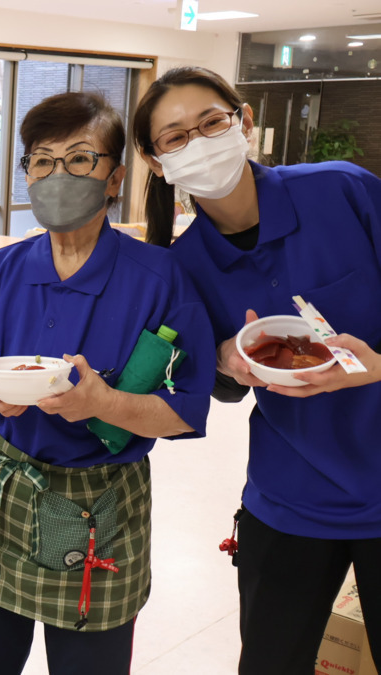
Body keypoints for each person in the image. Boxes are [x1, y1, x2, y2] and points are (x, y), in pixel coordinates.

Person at [0, 92, 215, 675]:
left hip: (101, 508)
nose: (57, 175)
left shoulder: (160, 279)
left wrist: (102, 402)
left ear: (114, 179)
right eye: (42, 160)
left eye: (80, 159)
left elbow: (185, 410)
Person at [131, 66, 381, 674]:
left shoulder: (342, 191)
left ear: (244, 123)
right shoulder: (182, 265)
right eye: (175, 137)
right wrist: (222, 360)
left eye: (211, 122)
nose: (199, 142)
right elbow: (217, 387)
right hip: (289, 498)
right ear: (156, 162)